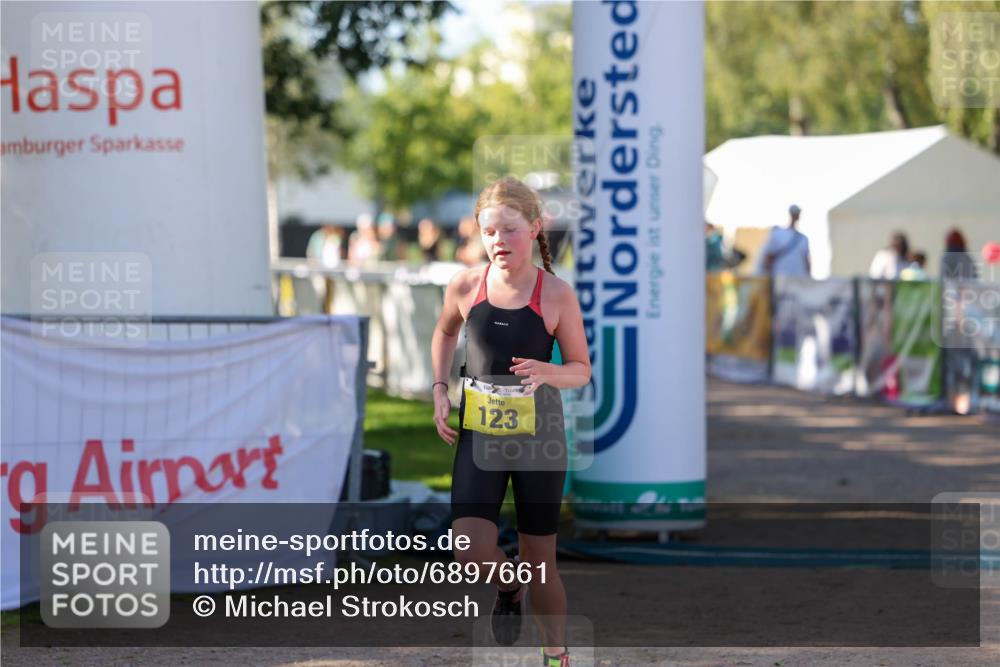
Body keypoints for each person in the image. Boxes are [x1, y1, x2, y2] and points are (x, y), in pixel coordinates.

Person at [430, 176, 590, 667]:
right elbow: (444, 332)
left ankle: (556, 656)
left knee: (542, 563)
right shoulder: (465, 285)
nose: (499, 240)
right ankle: (508, 583)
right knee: (467, 547)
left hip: (539, 440)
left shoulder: (556, 294)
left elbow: (581, 370)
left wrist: (547, 371)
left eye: (510, 230)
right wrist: (439, 388)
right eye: (489, 231)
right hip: (481, 438)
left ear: (535, 229)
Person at [754, 204, 810, 276]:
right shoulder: (777, 234)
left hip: (795, 277)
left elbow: (806, 260)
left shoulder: (803, 239)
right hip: (781, 276)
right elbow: (768, 257)